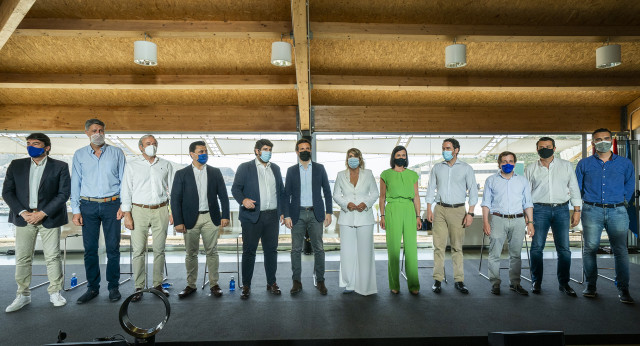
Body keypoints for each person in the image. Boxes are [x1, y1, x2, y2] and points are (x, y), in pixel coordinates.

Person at [3, 133, 70, 312]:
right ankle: (23, 295)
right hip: (23, 218)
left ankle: (55, 292)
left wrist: (43, 213)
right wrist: (23, 212)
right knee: (23, 257)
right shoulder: (16, 165)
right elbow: (7, 192)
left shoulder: (60, 166)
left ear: (46, 147)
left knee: (52, 256)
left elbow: (63, 194)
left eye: (36, 143)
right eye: (28, 144)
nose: (31, 146)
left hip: (50, 217)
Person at [576, 128, 635, 304]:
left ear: (612, 140)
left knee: (620, 250)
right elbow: (577, 188)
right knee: (590, 249)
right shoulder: (584, 164)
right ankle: (591, 285)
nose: (603, 141)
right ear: (593, 143)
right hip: (591, 210)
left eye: (606, 138)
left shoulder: (625, 163)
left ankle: (623, 289)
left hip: (617, 211)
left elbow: (630, 185)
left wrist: (621, 200)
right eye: (598, 139)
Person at [71, 119, 126, 304]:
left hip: (112, 204)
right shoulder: (79, 155)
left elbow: (124, 181)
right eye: (94, 130)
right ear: (86, 132)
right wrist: (76, 210)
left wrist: (123, 205)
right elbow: (75, 184)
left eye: (101, 130)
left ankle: (113, 287)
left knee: (113, 248)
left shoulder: (117, 153)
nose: (98, 133)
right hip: (88, 206)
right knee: (90, 250)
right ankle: (92, 288)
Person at [171, 141, 230, 298]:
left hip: (211, 217)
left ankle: (214, 284)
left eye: (205, 151)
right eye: (201, 151)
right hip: (190, 219)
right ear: (192, 154)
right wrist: (178, 221)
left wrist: (225, 215)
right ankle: (191, 285)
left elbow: (223, 196)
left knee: (212, 251)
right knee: (191, 254)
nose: (204, 154)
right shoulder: (181, 174)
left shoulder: (215, 172)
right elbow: (175, 199)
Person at [525, 137, 581, 296]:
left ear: (554, 148)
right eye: (541, 147)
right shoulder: (530, 168)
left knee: (564, 250)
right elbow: (526, 195)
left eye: (548, 146)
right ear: (537, 150)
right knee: (536, 248)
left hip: (562, 210)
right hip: (538, 210)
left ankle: (564, 283)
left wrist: (577, 210)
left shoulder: (566, 166)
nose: (545, 149)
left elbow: (574, 188)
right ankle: (536, 281)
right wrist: (528, 217)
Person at [121, 135, 174, 302]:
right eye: (148, 144)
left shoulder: (165, 164)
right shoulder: (132, 166)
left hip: (161, 210)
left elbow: (171, 190)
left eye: (155, 143)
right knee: (138, 251)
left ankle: (157, 285)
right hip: (139, 210)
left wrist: (172, 212)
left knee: (159, 250)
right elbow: (126, 191)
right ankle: (139, 287)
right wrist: (127, 214)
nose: (152, 146)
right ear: (141, 147)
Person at [231, 139, 285, 300]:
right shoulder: (245, 167)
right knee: (249, 252)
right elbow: (235, 189)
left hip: (272, 216)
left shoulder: (275, 168)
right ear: (257, 151)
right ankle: (246, 285)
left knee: (271, 251)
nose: (268, 152)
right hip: (252, 217)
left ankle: (272, 282)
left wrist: (282, 212)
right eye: (265, 149)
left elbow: (281, 192)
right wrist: (243, 200)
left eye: (270, 149)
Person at [425, 138, 478, 295]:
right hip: (440, 209)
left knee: (457, 247)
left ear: (456, 150)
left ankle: (459, 280)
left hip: (458, 210)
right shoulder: (437, 168)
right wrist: (429, 209)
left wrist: (470, 213)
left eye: (448, 148)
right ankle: (437, 280)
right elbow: (430, 190)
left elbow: (473, 192)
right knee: (438, 246)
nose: (445, 151)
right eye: (443, 148)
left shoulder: (466, 168)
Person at [481, 151, 534, 296]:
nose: (507, 164)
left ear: (515, 164)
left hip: (518, 220)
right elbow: (486, 203)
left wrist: (530, 222)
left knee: (516, 254)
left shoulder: (522, 181)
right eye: (504, 161)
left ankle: (515, 283)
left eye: (510, 161)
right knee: (494, 254)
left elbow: (528, 203)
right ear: (499, 164)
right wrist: (486, 222)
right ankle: (495, 283)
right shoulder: (491, 180)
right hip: (498, 219)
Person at [284, 138, 332, 295]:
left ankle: (320, 281)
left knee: (319, 248)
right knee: (295, 249)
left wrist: (329, 212)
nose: (305, 151)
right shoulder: (291, 171)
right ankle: (296, 281)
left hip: (315, 213)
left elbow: (326, 191)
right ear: (297, 152)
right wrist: (287, 215)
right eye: (301, 149)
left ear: (311, 150)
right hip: (296, 214)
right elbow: (286, 195)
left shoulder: (319, 168)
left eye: (307, 148)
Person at [333, 148, 379, 295]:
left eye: (355, 156)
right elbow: (336, 195)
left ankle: (365, 286)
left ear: (360, 159)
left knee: (365, 252)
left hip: (365, 217)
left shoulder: (369, 174)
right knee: (347, 252)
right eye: (349, 157)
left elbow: (375, 193)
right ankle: (349, 283)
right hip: (347, 218)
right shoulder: (341, 175)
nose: (352, 159)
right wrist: (347, 204)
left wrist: (366, 203)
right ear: (347, 159)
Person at [379, 146, 422, 295]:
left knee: (411, 249)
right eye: (398, 155)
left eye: (404, 155)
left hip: (409, 209)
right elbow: (382, 197)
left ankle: (414, 285)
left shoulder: (412, 175)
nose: (401, 157)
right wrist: (382, 215)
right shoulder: (385, 174)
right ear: (393, 157)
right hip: (392, 209)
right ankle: (394, 284)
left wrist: (418, 216)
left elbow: (416, 196)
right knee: (393, 249)